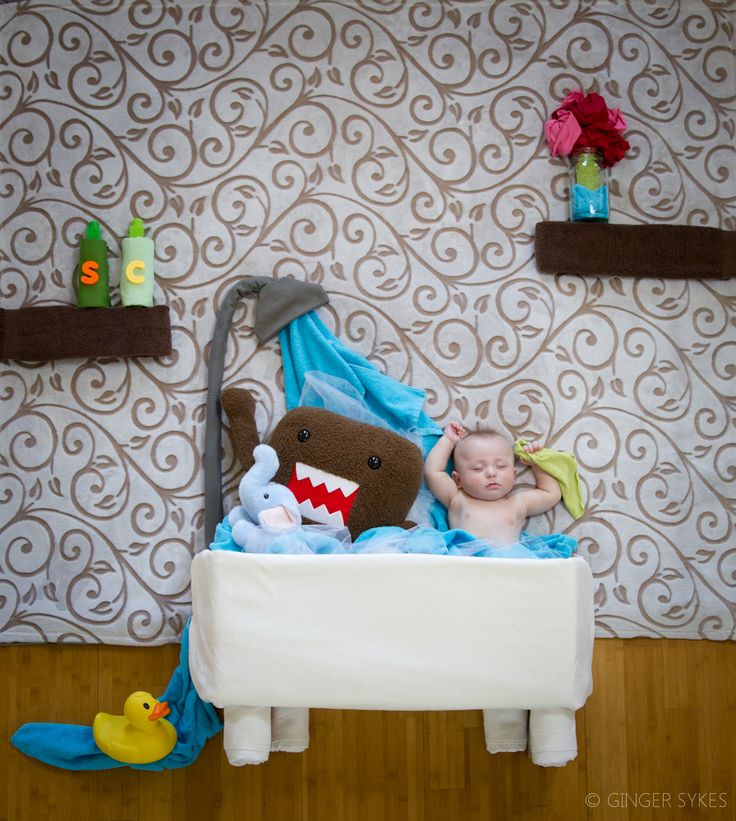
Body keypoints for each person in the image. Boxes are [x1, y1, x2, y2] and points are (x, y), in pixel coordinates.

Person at [423, 421, 562, 547]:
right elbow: (433, 472)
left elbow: (551, 494)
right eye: (478, 468)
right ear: (458, 480)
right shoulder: (457, 499)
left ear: (514, 475)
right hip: (465, 564)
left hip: (505, 565)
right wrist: (448, 440)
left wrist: (537, 463)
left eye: (501, 466)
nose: (491, 473)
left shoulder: (518, 503)